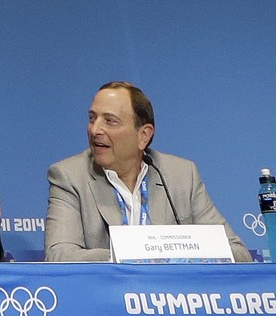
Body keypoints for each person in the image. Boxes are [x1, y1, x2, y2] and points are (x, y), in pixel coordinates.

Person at [44, 81, 251, 262]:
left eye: (110, 121)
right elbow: (59, 255)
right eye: (92, 118)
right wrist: (132, 254)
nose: (95, 130)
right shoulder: (69, 176)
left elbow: (238, 253)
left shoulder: (181, 175)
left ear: (144, 135)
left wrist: (180, 257)